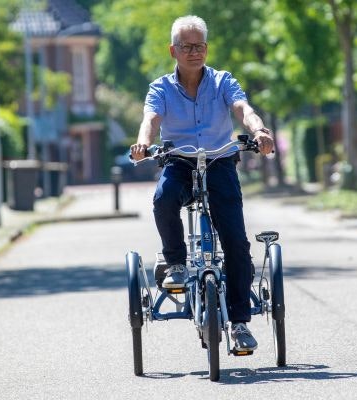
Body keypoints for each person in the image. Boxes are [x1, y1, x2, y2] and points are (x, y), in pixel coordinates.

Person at [130, 15, 274, 352]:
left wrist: (259, 131)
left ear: (206, 49)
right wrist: (141, 144)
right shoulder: (161, 88)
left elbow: (243, 108)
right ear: (173, 51)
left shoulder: (223, 81)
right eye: (186, 47)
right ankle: (176, 263)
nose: (194, 52)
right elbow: (150, 119)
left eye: (199, 46)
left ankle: (238, 323)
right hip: (179, 160)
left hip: (220, 160)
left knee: (237, 244)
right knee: (163, 198)